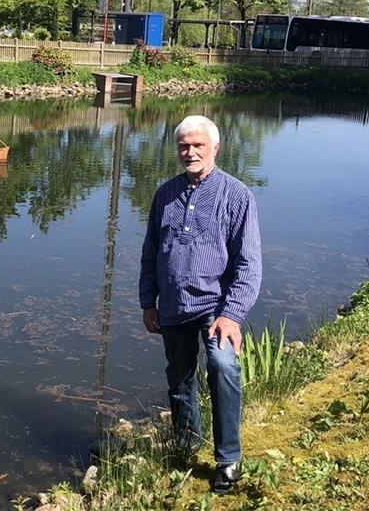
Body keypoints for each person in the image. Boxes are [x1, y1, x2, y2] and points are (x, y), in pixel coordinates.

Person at [138, 115, 262, 494]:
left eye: (197, 145)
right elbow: (150, 252)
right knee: (179, 378)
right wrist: (148, 301)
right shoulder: (165, 194)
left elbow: (249, 263)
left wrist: (232, 314)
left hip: (216, 306)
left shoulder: (237, 195)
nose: (189, 152)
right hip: (173, 304)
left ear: (215, 148)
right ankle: (186, 445)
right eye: (183, 146)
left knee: (223, 367)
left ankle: (228, 459)